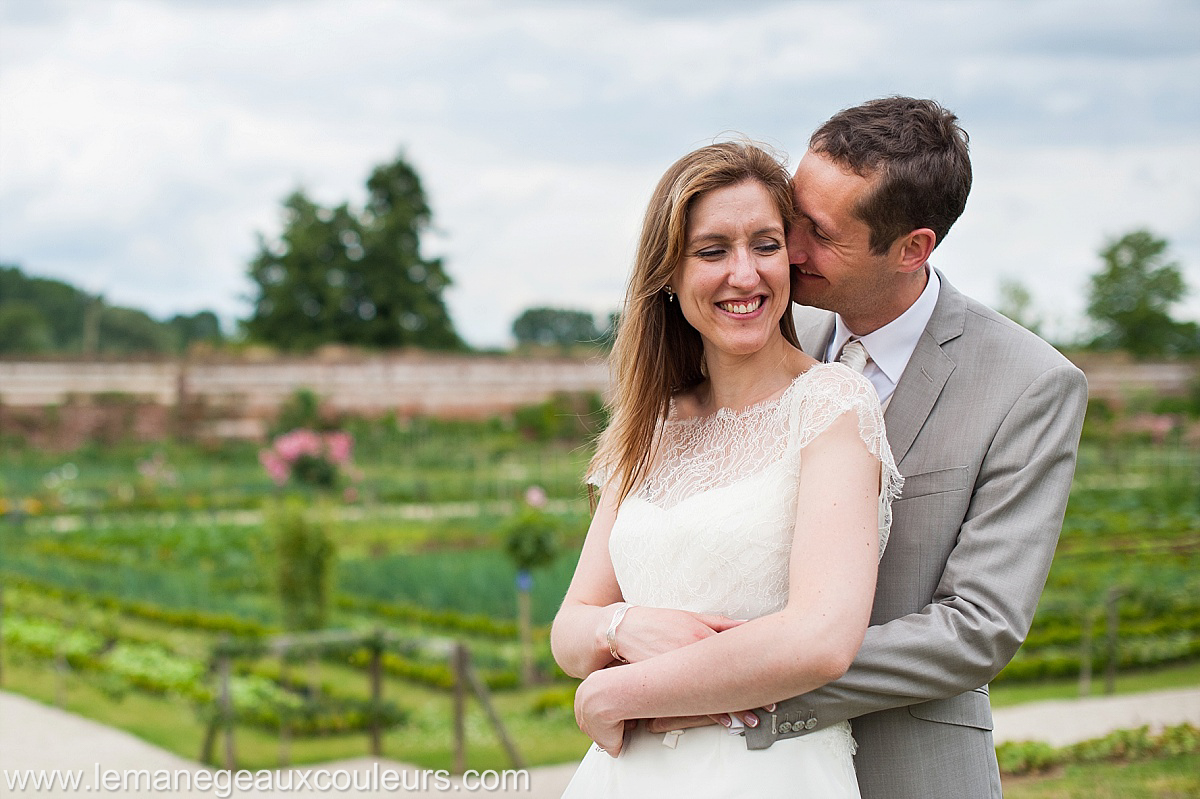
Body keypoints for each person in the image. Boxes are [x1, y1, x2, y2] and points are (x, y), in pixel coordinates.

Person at [647, 97, 1090, 798]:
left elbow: (977, 628)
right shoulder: (768, 343)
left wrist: (738, 684)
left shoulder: (1029, 385)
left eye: (818, 233)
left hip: (911, 769)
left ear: (913, 247)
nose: (787, 249)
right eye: (793, 215)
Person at [550, 140, 902, 798]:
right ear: (669, 275)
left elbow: (821, 637)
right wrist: (622, 626)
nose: (745, 274)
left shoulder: (831, 405)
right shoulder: (649, 427)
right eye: (713, 250)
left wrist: (613, 691)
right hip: (626, 778)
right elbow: (571, 629)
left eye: (765, 245)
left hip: (768, 770)